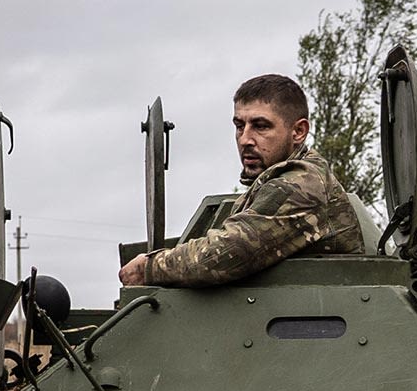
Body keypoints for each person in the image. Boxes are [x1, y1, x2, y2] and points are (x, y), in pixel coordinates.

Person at [117, 74, 361, 288]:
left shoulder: (302, 183)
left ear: (298, 132)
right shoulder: (274, 180)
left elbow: (228, 253)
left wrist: (149, 269)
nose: (245, 139)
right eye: (239, 126)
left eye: (260, 126)